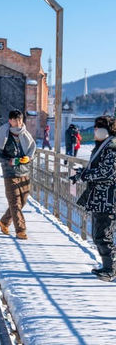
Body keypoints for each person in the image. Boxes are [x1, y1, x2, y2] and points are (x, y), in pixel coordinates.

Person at [73, 116, 116, 281]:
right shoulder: (104, 146)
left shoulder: (111, 148)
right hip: (102, 197)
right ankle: (108, 266)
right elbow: (99, 168)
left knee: (102, 234)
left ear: (106, 130)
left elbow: (107, 172)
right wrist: (82, 174)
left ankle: (109, 269)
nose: (95, 131)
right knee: (100, 233)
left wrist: (85, 175)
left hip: (107, 198)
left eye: (97, 128)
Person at [0, 109, 36, 240]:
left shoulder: (26, 135)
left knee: (22, 202)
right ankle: (20, 230)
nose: (18, 122)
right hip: (10, 173)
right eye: (15, 120)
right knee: (15, 202)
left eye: (20, 120)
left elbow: (32, 153)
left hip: (24, 172)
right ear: (9, 121)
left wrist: (28, 159)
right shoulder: (4, 135)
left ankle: (4, 222)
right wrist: (9, 161)